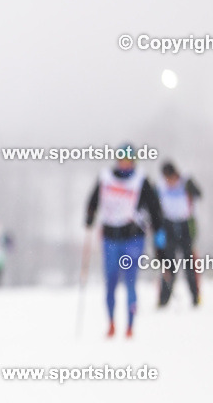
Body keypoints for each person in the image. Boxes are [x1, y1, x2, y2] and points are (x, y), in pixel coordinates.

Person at [85, 144, 165, 337]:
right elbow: (93, 199)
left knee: (130, 282)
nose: (125, 164)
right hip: (110, 237)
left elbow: (155, 208)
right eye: (122, 160)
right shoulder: (105, 177)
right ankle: (111, 322)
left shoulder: (141, 179)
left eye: (129, 160)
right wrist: (89, 216)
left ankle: (130, 325)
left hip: (133, 238)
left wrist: (158, 233)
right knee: (111, 281)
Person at [155, 161, 202, 307]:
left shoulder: (185, 181)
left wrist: (191, 188)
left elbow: (199, 194)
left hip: (185, 225)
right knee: (169, 265)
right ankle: (164, 299)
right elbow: (153, 206)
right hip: (169, 226)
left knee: (189, 264)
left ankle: (195, 297)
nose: (170, 181)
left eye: (171, 178)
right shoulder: (160, 186)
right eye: (167, 178)